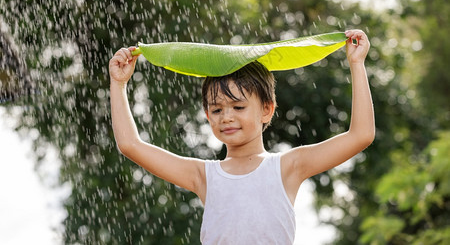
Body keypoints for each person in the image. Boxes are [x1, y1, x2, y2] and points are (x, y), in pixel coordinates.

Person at [109, 29, 375, 244]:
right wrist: (119, 84)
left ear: (267, 110)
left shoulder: (288, 167)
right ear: (207, 115)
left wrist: (356, 63)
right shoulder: (204, 176)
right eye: (217, 109)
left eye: (238, 107)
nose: (226, 117)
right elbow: (130, 145)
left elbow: (361, 135)